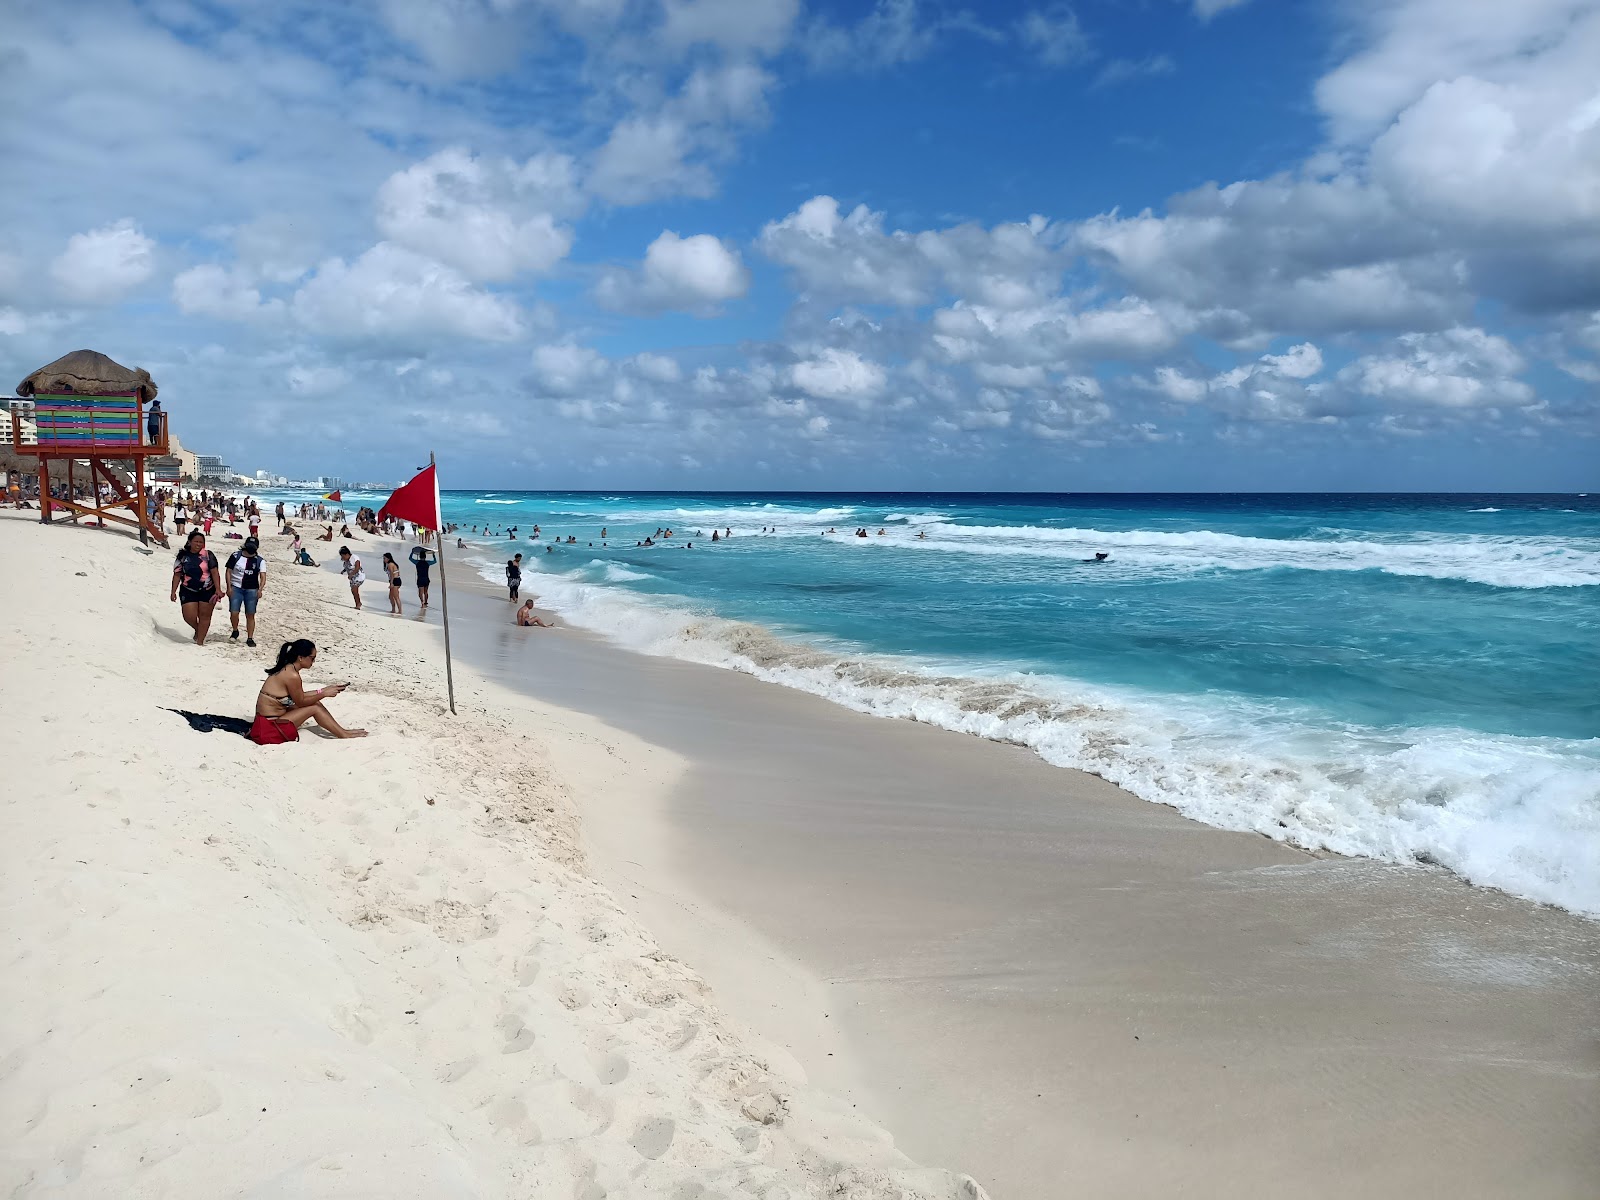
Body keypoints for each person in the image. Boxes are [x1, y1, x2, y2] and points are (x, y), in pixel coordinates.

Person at [252, 639, 367, 743]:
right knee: (315, 708)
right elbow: (300, 702)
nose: (313, 662)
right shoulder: (292, 675)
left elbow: (299, 697)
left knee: (315, 703)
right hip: (270, 726)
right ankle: (343, 734)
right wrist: (323, 694)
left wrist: (323, 690)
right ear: (300, 657)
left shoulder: (288, 668)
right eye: (312, 658)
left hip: (268, 720)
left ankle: (342, 731)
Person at [170, 531, 222, 645]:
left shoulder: (208, 555)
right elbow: (177, 574)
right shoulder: (183, 556)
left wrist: (218, 589)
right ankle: (198, 629)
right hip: (188, 589)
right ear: (189, 542)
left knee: (205, 616)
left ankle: (200, 641)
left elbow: (215, 572)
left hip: (208, 590)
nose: (198, 544)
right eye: (196, 542)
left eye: (201, 542)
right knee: (188, 616)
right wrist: (173, 591)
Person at [225, 535, 267, 647]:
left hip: (252, 589)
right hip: (236, 587)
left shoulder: (260, 561)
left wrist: (260, 589)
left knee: (250, 614)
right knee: (234, 612)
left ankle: (250, 637)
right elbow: (228, 571)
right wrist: (228, 587)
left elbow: (263, 576)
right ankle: (235, 630)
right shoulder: (235, 556)